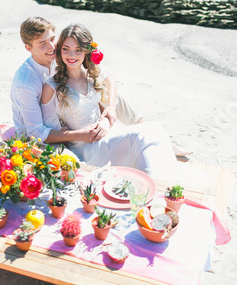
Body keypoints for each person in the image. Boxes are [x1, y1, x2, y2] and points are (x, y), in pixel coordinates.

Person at [40, 24, 177, 176]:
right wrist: (79, 134)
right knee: (146, 134)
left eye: (78, 50)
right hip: (88, 149)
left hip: (108, 135)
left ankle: (160, 184)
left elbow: (110, 79)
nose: (71, 55)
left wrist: (110, 109)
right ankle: (158, 187)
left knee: (154, 130)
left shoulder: (90, 74)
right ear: (59, 50)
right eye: (66, 49)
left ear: (86, 51)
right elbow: (45, 133)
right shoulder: (52, 87)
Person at [10, 17, 143, 146]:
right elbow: (36, 133)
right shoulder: (25, 84)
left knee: (105, 90)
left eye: (52, 39)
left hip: (60, 114)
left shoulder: (59, 55)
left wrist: (110, 107)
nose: (52, 47)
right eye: (43, 43)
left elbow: (107, 77)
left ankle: (140, 125)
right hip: (36, 135)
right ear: (29, 48)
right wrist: (78, 134)